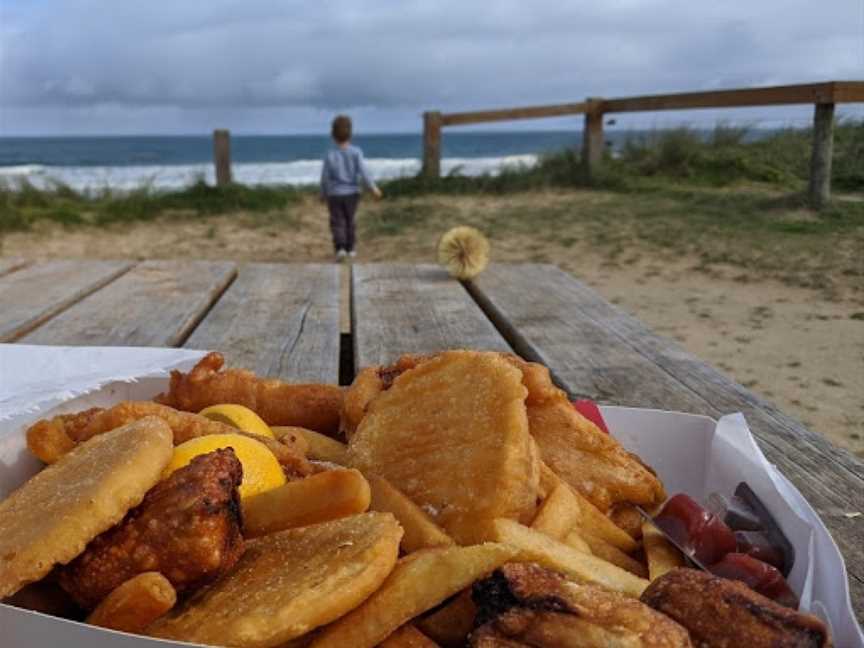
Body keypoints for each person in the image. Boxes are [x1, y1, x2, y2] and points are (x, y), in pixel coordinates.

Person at [320, 115, 382, 260]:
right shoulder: (356, 152)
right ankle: (351, 248)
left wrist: (323, 193)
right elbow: (364, 171)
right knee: (350, 220)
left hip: (334, 194)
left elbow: (325, 177)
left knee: (337, 221)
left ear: (332, 135)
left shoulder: (330, 154)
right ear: (351, 134)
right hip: (352, 194)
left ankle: (340, 248)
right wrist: (373, 188)